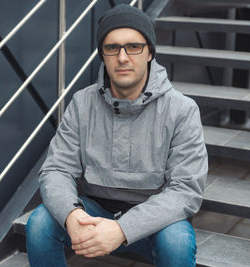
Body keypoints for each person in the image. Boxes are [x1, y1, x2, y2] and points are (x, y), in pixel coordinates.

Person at [26, 4, 208, 267]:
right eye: (112, 48)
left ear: (149, 53)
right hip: (92, 212)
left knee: (177, 243)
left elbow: (186, 190)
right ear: (103, 55)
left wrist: (122, 229)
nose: (122, 57)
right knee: (40, 225)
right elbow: (56, 169)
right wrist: (72, 216)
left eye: (133, 46)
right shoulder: (82, 103)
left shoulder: (182, 110)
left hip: (154, 221)